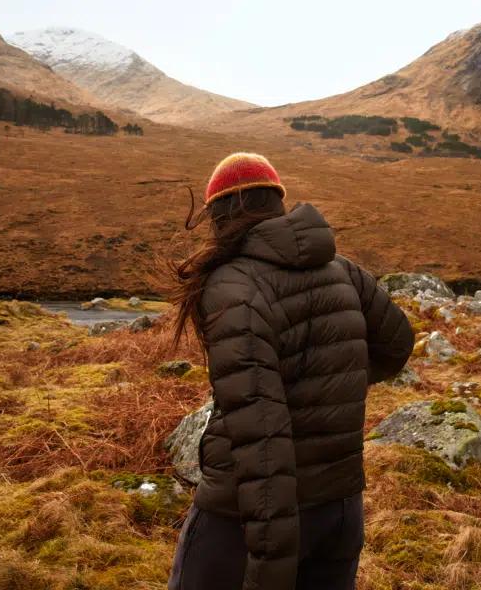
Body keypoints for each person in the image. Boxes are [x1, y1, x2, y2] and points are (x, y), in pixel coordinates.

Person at [167, 152, 414, 590]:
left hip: (244, 518)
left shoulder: (231, 286)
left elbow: (262, 439)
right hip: (340, 508)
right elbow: (397, 346)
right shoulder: (343, 270)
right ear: (275, 200)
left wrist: (269, 567)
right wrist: (327, 385)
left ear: (219, 213)